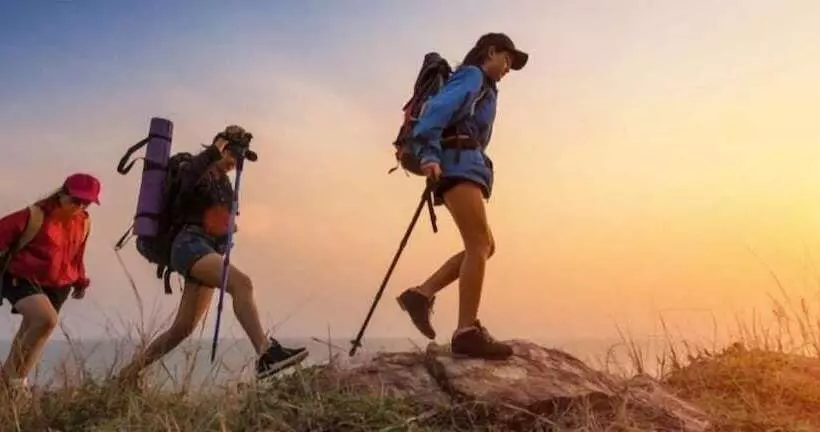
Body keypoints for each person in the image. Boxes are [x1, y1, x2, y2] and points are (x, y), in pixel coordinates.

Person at [118, 125, 308, 384]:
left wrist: (227, 227)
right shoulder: (194, 166)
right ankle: (266, 353)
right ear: (222, 148)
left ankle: (127, 375)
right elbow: (186, 186)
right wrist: (213, 150)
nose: (236, 164)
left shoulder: (224, 184)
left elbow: (218, 221)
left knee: (182, 329)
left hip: (208, 249)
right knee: (242, 284)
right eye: (234, 157)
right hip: (189, 245)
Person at [396, 33, 529, 359]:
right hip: (456, 163)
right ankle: (466, 331)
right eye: (508, 59)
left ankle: (421, 294)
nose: (509, 68)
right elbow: (436, 109)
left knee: (485, 245)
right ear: (491, 52)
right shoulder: (472, 75)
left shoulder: (484, 85)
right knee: (479, 245)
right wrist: (429, 154)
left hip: (462, 163)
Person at [0, 173, 100, 393]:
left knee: (33, 330)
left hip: (59, 285)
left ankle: (7, 385)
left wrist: (80, 281)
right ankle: (16, 384)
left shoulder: (83, 221)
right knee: (45, 319)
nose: (80, 206)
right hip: (22, 278)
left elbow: (77, 254)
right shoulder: (34, 215)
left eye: (87, 202)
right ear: (63, 193)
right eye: (76, 200)